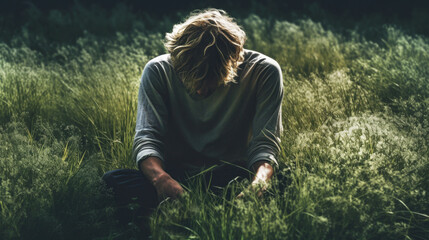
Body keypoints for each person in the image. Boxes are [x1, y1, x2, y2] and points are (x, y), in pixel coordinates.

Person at [102, 8, 284, 227]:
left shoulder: (264, 72)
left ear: (233, 63)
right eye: (190, 77)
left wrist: (258, 185)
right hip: (177, 174)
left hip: (234, 175)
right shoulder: (158, 71)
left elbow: (265, 145)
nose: (199, 91)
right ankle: (182, 215)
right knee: (111, 182)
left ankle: (176, 218)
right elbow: (147, 139)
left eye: (209, 79)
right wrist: (162, 180)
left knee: (288, 183)